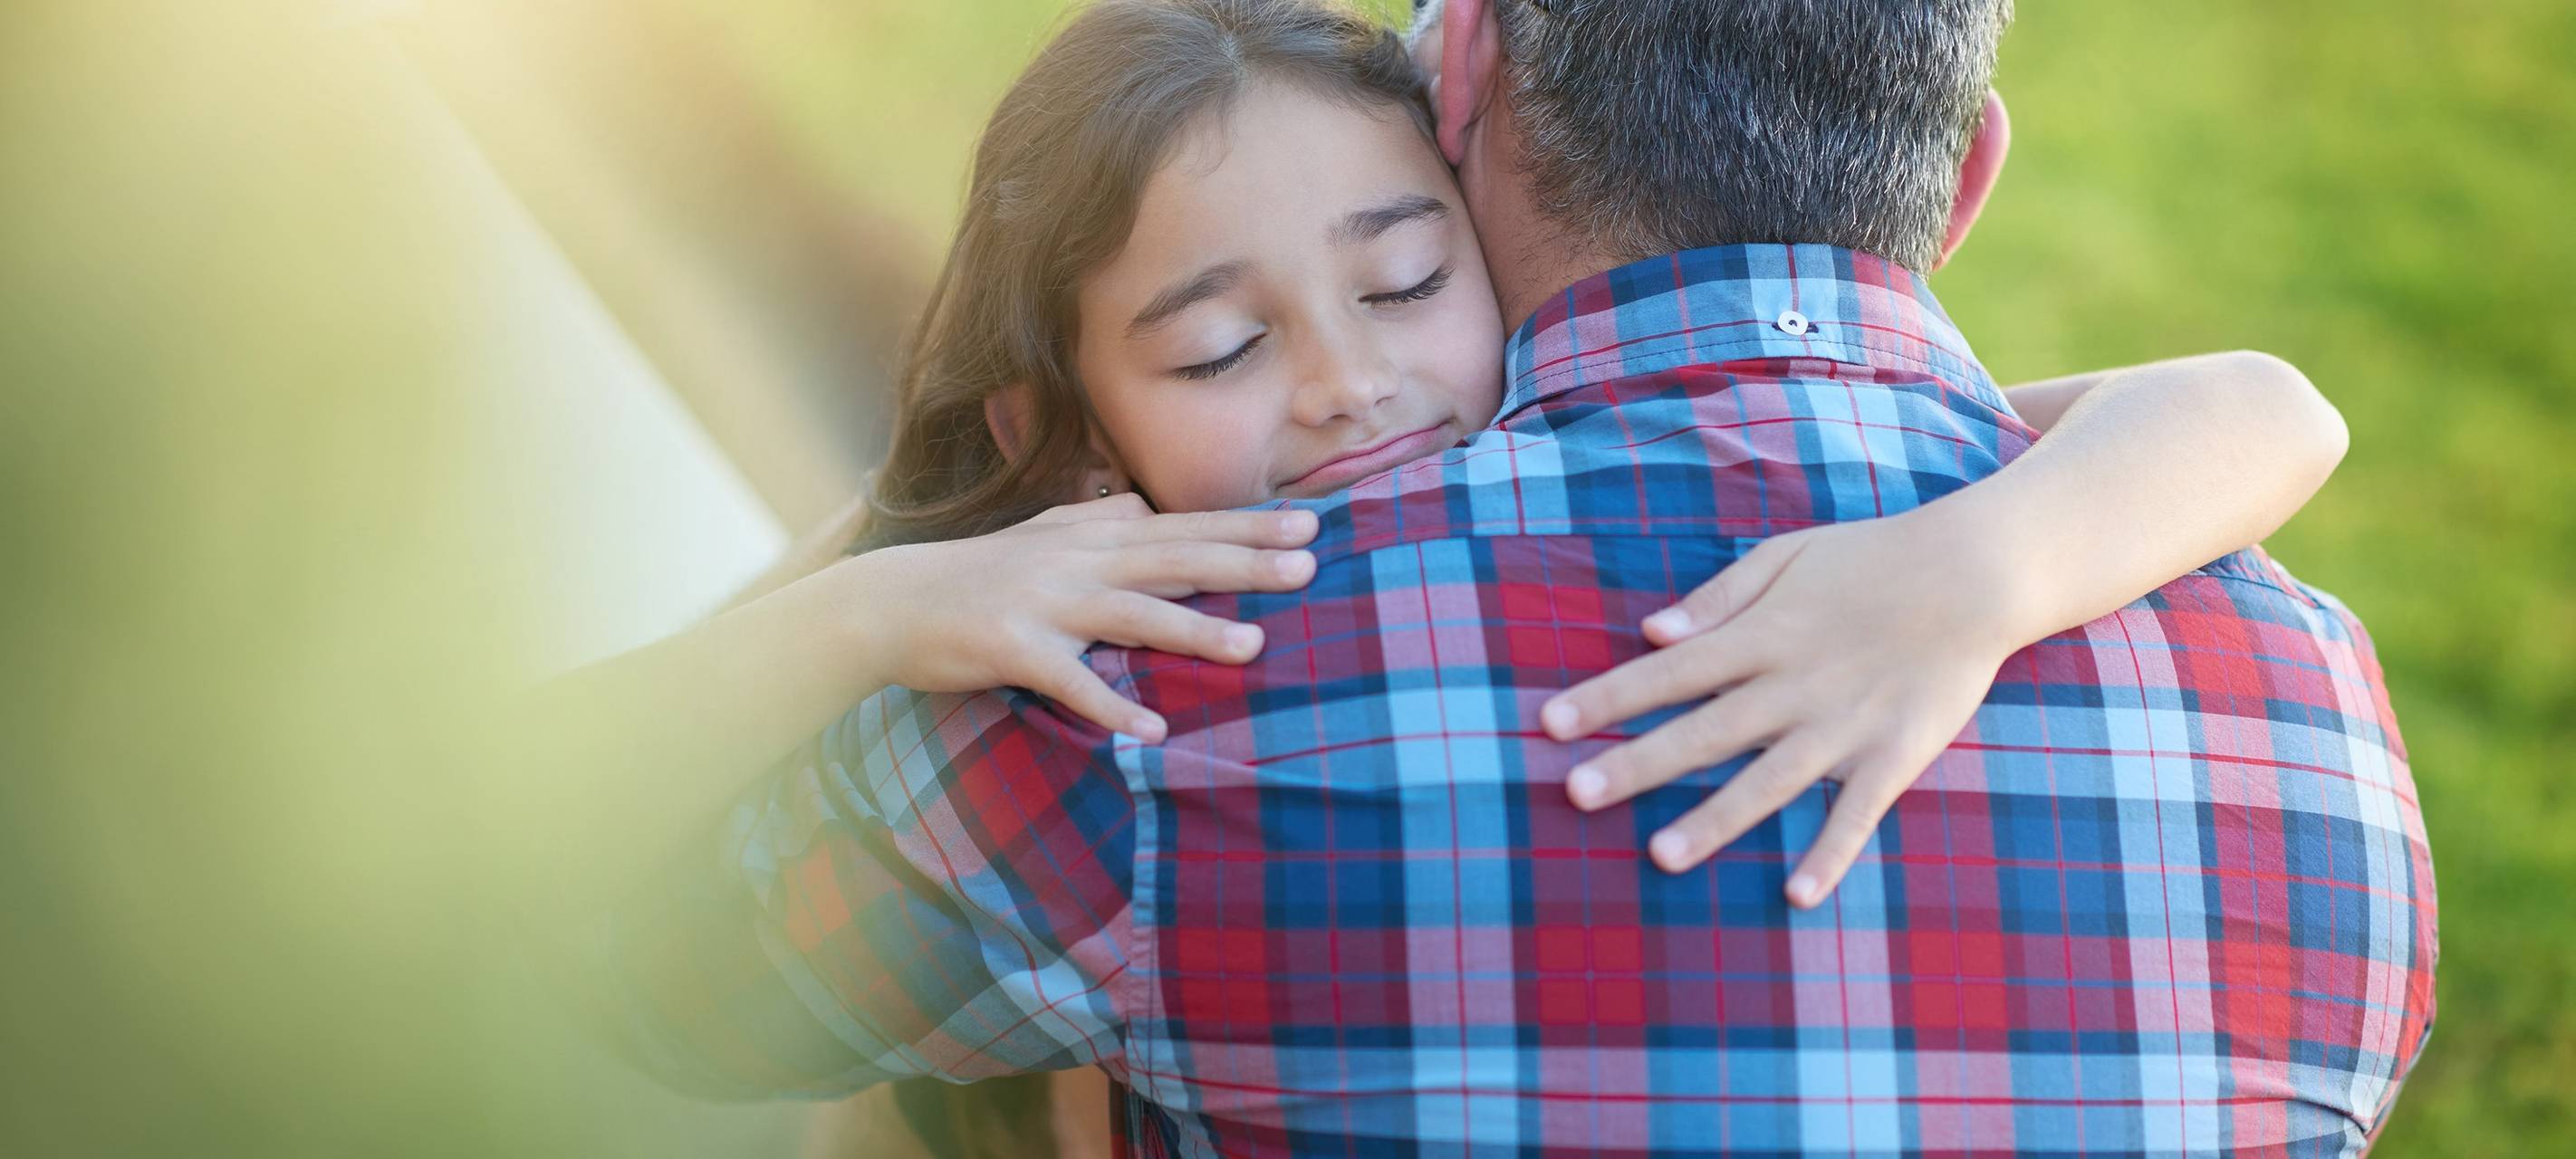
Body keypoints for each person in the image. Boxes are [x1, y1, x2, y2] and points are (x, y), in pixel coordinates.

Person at [561, 1, 2434, 1154]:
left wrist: (884, 582)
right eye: (1220, 346)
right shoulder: (2327, 743)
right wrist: (1986, 554)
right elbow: (2267, 404)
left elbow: (651, 1000)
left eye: (1397, 283)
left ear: (1456, 81)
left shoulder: (1168, 693)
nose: (1349, 388)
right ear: (1965, 184)